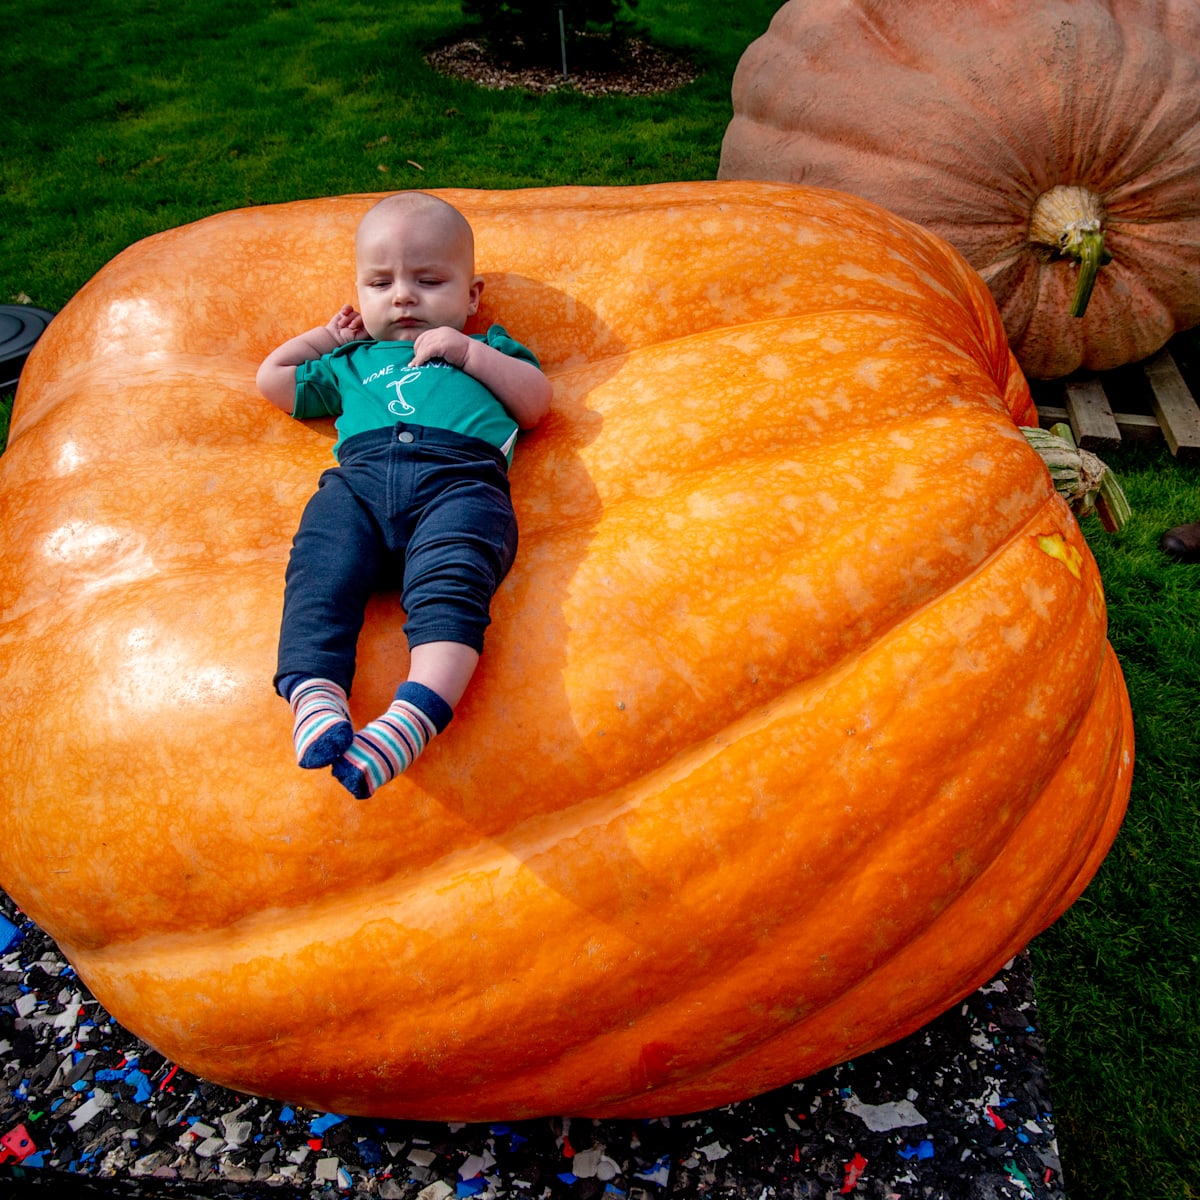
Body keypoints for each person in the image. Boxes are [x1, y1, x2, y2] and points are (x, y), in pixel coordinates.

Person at [257, 191, 553, 798]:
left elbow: (535, 404)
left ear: (471, 297)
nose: (403, 297)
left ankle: (413, 715)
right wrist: (324, 338)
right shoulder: (351, 360)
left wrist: (470, 353)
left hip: (460, 483)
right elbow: (273, 381)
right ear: (360, 295)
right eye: (380, 283)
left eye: (428, 280)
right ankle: (316, 692)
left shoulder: (489, 348)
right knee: (318, 573)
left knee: (453, 587)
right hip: (358, 486)